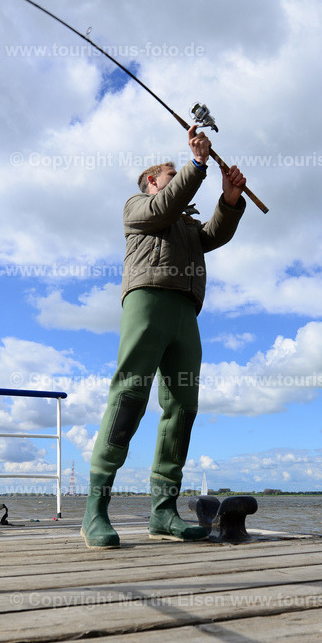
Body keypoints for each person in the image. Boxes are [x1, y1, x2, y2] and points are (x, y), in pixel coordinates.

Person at [81, 126, 246, 548]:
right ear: (152, 181)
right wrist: (197, 164)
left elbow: (215, 234)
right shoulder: (138, 207)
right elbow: (166, 207)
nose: (179, 181)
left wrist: (229, 200)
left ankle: (163, 512)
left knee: (182, 407)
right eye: (172, 175)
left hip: (186, 312)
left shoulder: (187, 225)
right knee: (129, 396)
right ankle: (95, 512)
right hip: (147, 302)